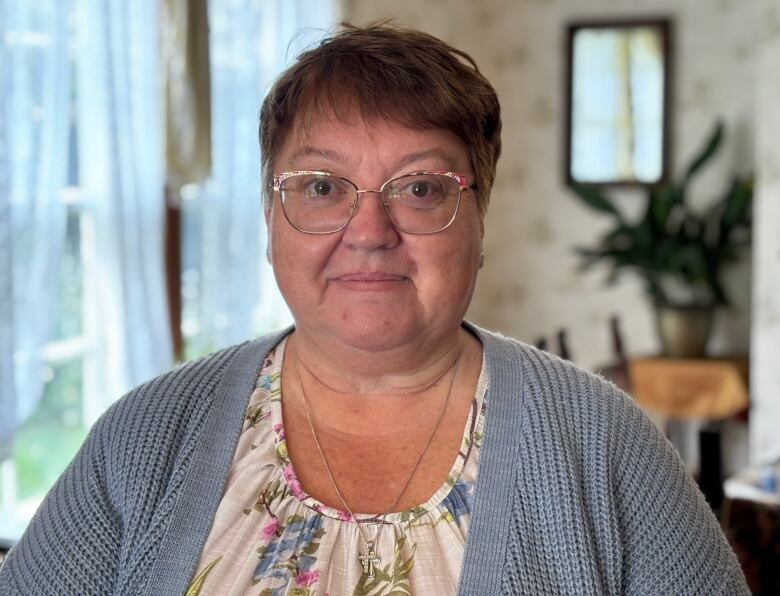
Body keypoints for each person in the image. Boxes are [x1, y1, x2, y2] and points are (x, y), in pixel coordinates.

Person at [0, 22, 748, 595]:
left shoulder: (606, 445)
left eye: (420, 188)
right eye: (322, 186)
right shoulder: (144, 437)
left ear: (480, 218)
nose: (368, 233)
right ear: (270, 219)